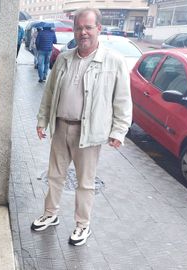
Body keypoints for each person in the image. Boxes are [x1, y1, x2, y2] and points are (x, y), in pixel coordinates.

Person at [31, 8, 132, 246]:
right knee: (54, 175)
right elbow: (50, 92)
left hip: (88, 132)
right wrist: (42, 120)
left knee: (85, 182)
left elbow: (123, 100)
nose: (83, 32)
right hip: (60, 127)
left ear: (99, 28)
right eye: (79, 27)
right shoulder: (65, 58)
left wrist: (119, 130)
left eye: (88, 27)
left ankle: (82, 225)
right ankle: (50, 213)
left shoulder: (113, 61)